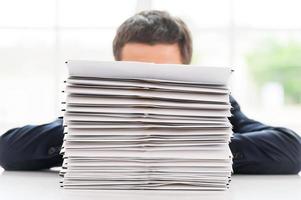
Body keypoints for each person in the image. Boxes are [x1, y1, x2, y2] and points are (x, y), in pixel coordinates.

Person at [0, 10, 300, 174]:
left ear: (187, 68)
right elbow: (9, 150)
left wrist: (199, 146)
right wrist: (94, 133)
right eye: (136, 72)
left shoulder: (212, 102)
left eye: (165, 73)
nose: (150, 85)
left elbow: (292, 150)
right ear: (116, 67)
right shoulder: (95, 104)